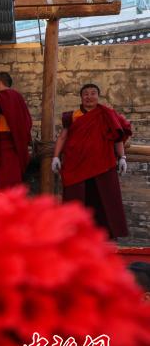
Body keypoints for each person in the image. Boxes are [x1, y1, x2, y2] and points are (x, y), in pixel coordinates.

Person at [52, 83, 132, 239]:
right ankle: (75, 233)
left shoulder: (107, 114)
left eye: (93, 93)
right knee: (76, 198)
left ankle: (105, 234)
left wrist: (122, 157)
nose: (89, 97)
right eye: (86, 94)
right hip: (77, 165)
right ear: (81, 97)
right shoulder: (73, 116)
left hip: (103, 164)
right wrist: (55, 156)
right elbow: (63, 137)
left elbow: (117, 138)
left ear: (98, 96)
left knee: (105, 198)